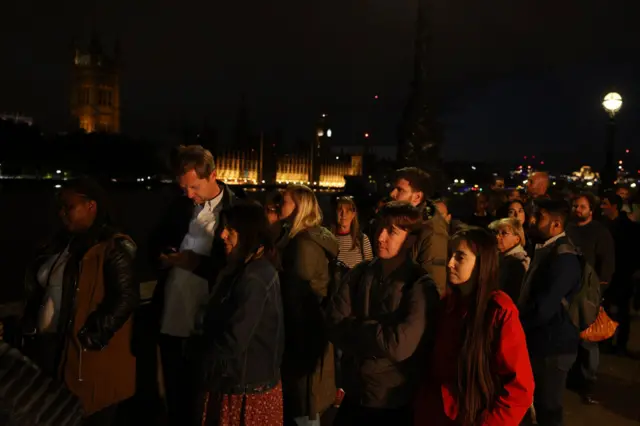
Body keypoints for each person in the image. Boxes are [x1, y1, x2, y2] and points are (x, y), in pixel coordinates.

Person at [22, 178, 138, 424]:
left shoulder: (113, 247)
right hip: (51, 349)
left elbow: (126, 296)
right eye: (60, 207)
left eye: (69, 206)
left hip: (83, 352)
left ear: (91, 206)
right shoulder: (61, 242)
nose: (62, 213)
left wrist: (93, 334)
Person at [327, 201, 439, 426]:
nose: (380, 237)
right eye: (380, 228)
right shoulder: (360, 272)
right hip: (355, 392)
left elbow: (399, 345)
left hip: (393, 400)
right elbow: (334, 323)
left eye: (392, 232)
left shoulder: (419, 284)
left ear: (409, 239)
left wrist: (357, 328)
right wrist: (376, 333)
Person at [149, 145, 236, 425]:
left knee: (205, 403)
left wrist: (194, 263)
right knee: (175, 402)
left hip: (207, 324)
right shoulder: (179, 206)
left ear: (213, 175)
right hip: (171, 319)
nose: (189, 194)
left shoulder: (236, 211)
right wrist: (162, 257)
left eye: (194, 187)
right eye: (183, 187)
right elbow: (153, 243)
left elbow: (236, 270)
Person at [414, 227, 534, 426]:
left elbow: (520, 386)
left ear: (481, 263)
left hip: (475, 416)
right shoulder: (447, 305)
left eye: (460, 257)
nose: (450, 263)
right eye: (450, 255)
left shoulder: (498, 310)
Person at [196, 202, 284, 426]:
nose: (222, 235)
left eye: (231, 231)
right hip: (246, 383)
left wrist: (201, 356)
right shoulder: (253, 269)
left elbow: (235, 340)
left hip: (243, 389)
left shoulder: (253, 277)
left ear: (248, 236)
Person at [276, 184, 338, 426]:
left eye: (285, 201)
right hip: (310, 333)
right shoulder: (307, 239)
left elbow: (298, 294)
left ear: (299, 208)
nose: (279, 204)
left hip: (302, 336)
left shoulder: (303, 245)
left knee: (303, 403)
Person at [518, 199, 581, 426]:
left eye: (540, 217)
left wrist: (517, 327)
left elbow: (545, 308)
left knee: (548, 408)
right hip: (544, 340)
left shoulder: (564, 258)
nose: (533, 220)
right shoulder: (547, 250)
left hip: (554, 345)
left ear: (556, 224)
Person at [389, 167, 449, 295]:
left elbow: (433, 288)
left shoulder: (433, 233)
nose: (392, 194)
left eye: (400, 190)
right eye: (394, 188)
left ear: (416, 197)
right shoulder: (400, 221)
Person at [488, 218, 530, 302]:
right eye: (496, 232)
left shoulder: (519, 263)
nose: (497, 236)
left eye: (504, 233)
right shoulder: (498, 257)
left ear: (517, 239)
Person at [331, 197, 373, 268]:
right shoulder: (329, 238)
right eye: (340, 210)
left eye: (347, 211)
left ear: (353, 214)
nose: (343, 214)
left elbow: (369, 268)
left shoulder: (362, 239)